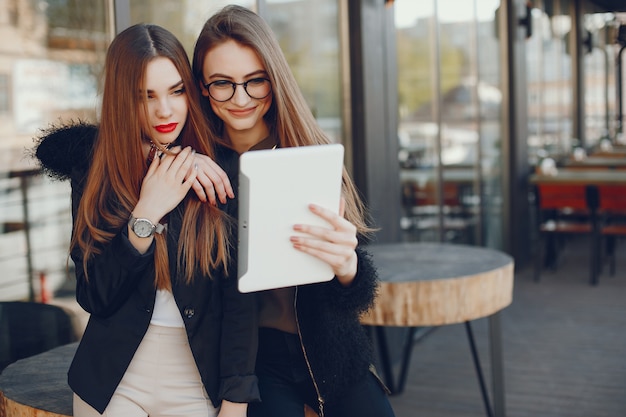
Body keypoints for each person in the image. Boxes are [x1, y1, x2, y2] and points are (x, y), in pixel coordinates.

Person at [33, 23, 259, 417]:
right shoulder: (96, 171)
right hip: (113, 380)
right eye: (145, 96)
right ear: (123, 101)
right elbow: (94, 296)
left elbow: (240, 302)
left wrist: (235, 401)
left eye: (176, 91)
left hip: (196, 381)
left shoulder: (219, 173)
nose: (164, 110)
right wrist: (146, 212)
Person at [192, 6, 396, 417]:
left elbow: (355, 292)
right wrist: (166, 154)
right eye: (223, 84)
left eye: (255, 81)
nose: (241, 98)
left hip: (330, 349)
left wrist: (347, 266)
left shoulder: (308, 151)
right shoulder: (196, 164)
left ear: (275, 78)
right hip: (249, 361)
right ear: (201, 87)